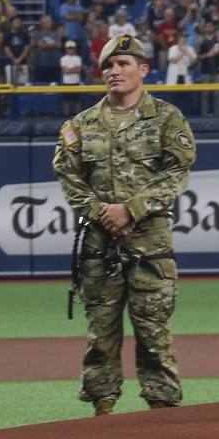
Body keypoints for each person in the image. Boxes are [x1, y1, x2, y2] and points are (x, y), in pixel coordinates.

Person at [52, 33, 196, 417]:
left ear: (143, 70)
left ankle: (163, 408)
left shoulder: (166, 117)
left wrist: (132, 208)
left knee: (153, 330)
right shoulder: (80, 125)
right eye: (108, 66)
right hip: (99, 241)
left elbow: (177, 170)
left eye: (123, 64)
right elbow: (68, 175)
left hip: (149, 239)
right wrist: (102, 211)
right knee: (101, 329)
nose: (115, 71)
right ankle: (102, 409)